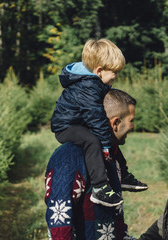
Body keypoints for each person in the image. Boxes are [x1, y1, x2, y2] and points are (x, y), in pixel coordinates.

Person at [50, 39, 147, 207]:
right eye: (114, 72)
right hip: (66, 126)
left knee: (108, 137)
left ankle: (123, 175)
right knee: (93, 141)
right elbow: (95, 116)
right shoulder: (88, 86)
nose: (116, 76)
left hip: (79, 122)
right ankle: (100, 187)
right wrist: (104, 146)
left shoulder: (94, 82)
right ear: (100, 71)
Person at [45, 89, 139, 240]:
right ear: (115, 123)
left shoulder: (110, 156)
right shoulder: (70, 157)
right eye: (131, 120)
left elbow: (113, 214)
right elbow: (59, 221)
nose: (133, 126)